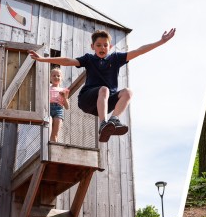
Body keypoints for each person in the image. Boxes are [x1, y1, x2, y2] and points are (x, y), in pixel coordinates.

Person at [29, 28, 176, 142]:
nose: (102, 48)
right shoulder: (88, 59)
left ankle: (113, 119)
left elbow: (138, 51)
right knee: (104, 89)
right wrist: (43, 60)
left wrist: (160, 42)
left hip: (106, 102)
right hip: (87, 99)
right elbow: (68, 61)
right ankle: (103, 123)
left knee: (128, 92)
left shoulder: (116, 58)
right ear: (93, 46)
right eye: (98, 45)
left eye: (105, 45)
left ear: (110, 46)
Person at [49, 67, 70, 142]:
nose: (56, 77)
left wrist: (64, 97)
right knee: (47, 131)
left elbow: (67, 107)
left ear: (61, 78)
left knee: (55, 135)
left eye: (58, 76)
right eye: (54, 75)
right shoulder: (47, 88)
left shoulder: (64, 90)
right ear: (50, 78)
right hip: (48, 109)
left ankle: (53, 151)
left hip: (59, 110)